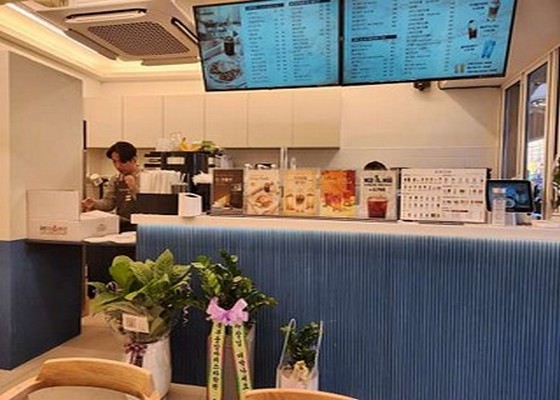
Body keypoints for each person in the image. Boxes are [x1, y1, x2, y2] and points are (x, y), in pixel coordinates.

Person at [82, 141, 140, 231]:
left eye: (122, 162)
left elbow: (149, 205)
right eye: (114, 162)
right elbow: (109, 203)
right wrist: (95, 203)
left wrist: (133, 187)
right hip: (122, 224)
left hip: (141, 225)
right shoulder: (115, 179)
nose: (118, 166)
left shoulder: (146, 177)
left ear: (134, 159)